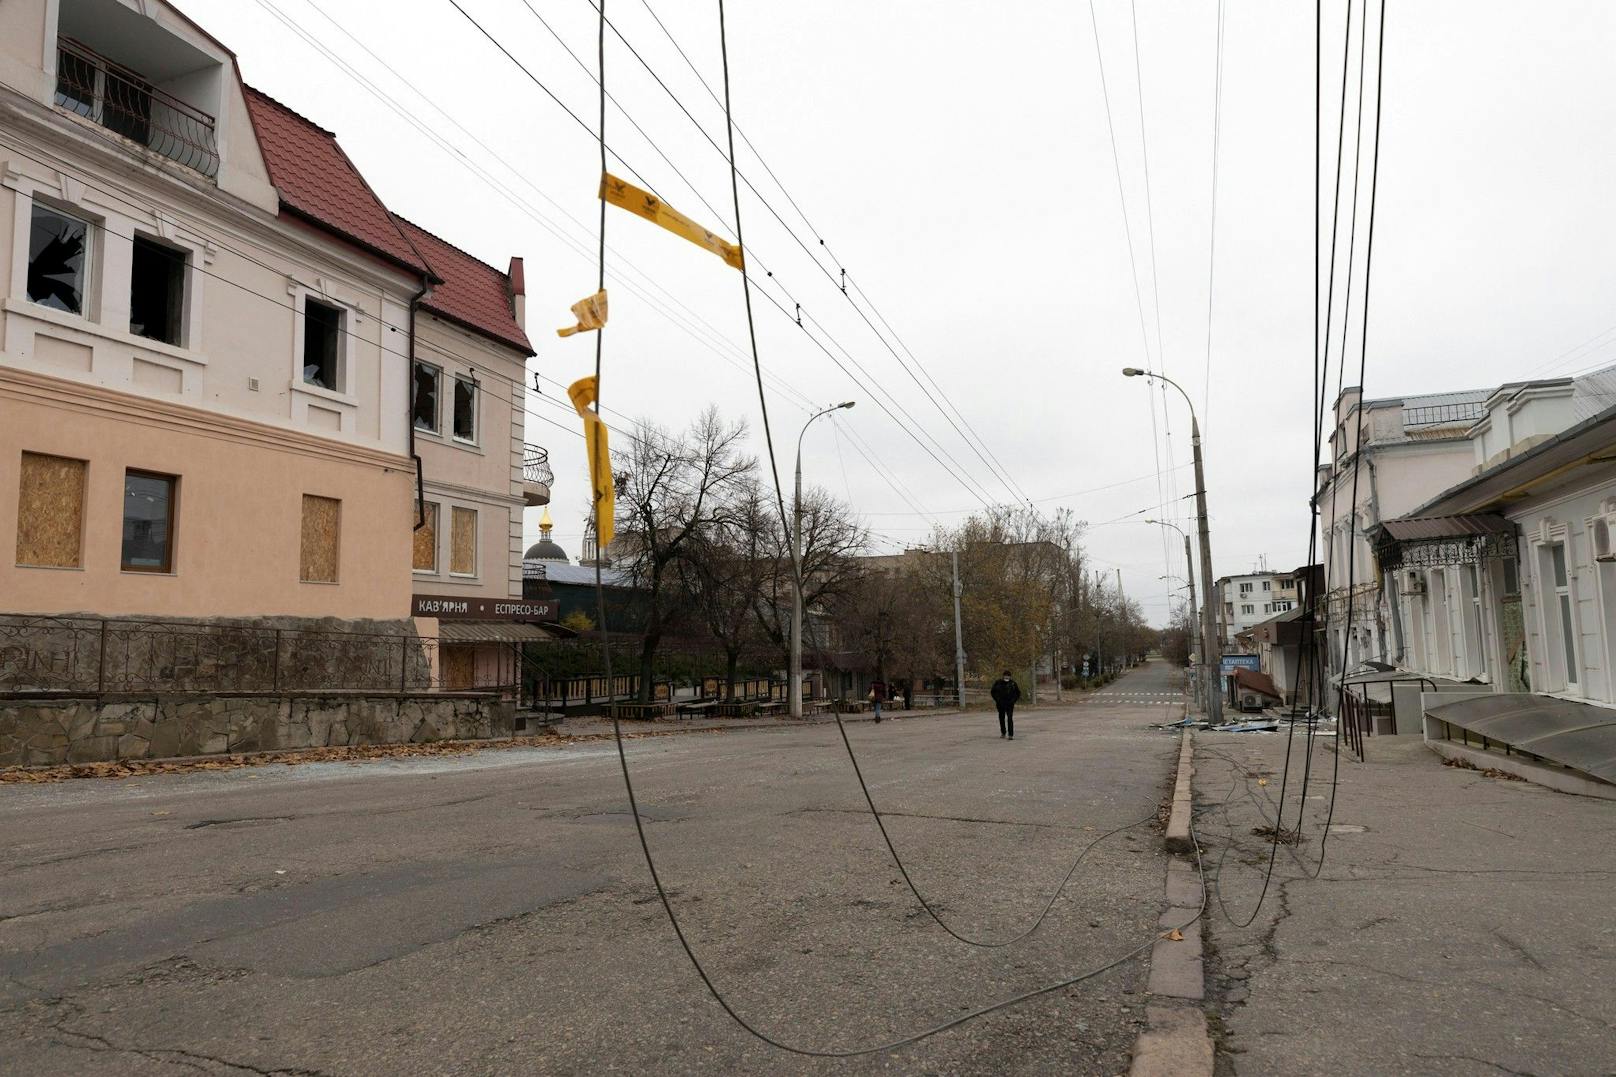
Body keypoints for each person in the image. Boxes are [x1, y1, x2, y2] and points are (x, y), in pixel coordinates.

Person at [990, 670, 1021, 739]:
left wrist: (1013, 700)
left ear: (1010, 676)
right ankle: (1003, 732)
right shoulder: (998, 682)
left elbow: (1018, 693)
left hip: (1010, 704)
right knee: (1001, 718)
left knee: (1010, 718)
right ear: (1003, 676)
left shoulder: (1013, 683)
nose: (1006, 677)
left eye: (1008, 676)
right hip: (1000, 704)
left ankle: (1010, 734)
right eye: (1005, 675)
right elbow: (993, 692)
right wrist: (997, 700)